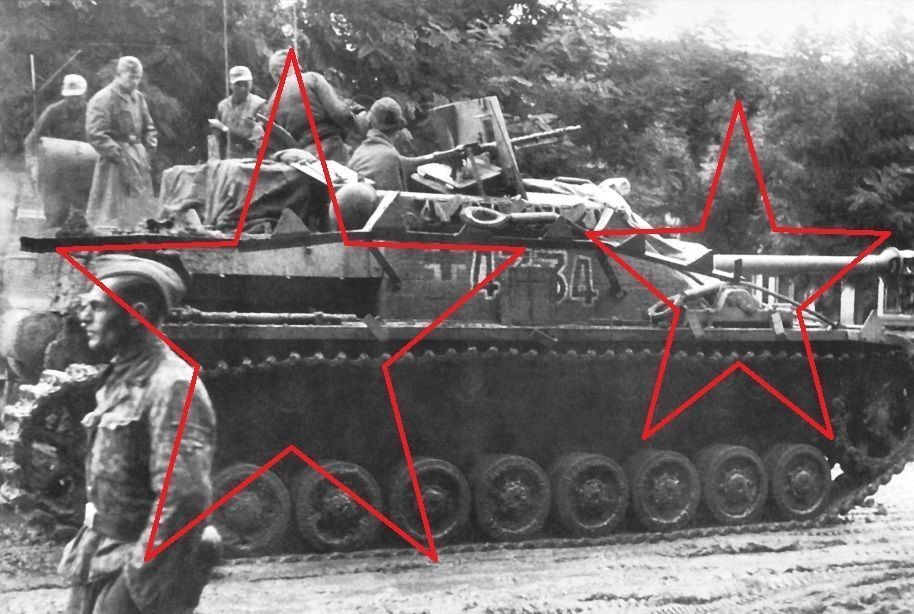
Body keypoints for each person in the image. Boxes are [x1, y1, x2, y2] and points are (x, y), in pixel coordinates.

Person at [58, 254, 219, 613]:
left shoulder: (171, 384)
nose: (84, 317)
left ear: (136, 314)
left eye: (97, 307)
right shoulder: (121, 375)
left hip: (140, 565)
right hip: (100, 552)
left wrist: (137, 580)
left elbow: (183, 498)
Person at [85, 56, 159, 229]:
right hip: (115, 163)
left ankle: (139, 233)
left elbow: (149, 126)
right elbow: (95, 133)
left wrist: (149, 146)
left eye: (138, 78)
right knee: (113, 210)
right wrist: (117, 153)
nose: (135, 82)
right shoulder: (103, 98)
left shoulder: (138, 98)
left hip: (139, 159)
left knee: (140, 208)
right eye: (131, 77)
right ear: (119, 74)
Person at [264, 48, 358, 163]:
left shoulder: (272, 101)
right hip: (331, 147)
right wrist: (355, 117)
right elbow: (338, 113)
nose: (300, 68)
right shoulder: (312, 78)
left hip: (303, 158)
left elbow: (274, 141)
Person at [348, 97, 429, 191]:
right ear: (398, 128)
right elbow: (396, 199)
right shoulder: (390, 157)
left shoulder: (359, 152)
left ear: (370, 122)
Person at [23, 73, 88, 154]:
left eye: (78, 96)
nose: (74, 100)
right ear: (65, 96)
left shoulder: (93, 112)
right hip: (58, 156)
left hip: (87, 157)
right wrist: (32, 160)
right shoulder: (53, 111)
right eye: (70, 97)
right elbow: (31, 140)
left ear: (85, 95)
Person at [213, 65, 266, 159]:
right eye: (238, 84)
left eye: (246, 84)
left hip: (252, 158)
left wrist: (225, 129)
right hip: (230, 158)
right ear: (230, 85)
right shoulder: (222, 106)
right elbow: (220, 139)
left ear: (251, 83)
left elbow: (260, 142)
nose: (243, 88)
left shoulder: (259, 105)